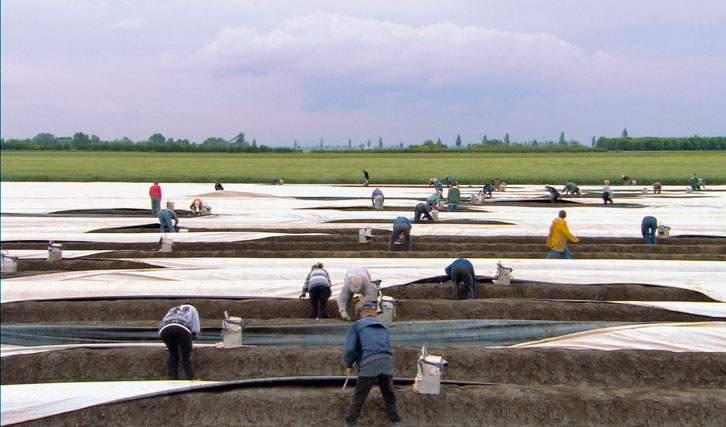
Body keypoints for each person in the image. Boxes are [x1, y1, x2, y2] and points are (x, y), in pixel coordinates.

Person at [343, 302, 401, 427]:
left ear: (361, 315)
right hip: (387, 361)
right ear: (375, 314)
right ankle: (396, 422)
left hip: (370, 362)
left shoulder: (357, 325)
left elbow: (351, 348)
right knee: (389, 395)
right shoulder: (384, 326)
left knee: (359, 396)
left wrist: (349, 364)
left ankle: (349, 423)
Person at [158, 303, 200, 380]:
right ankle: (189, 378)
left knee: (173, 353)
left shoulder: (173, 308)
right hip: (182, 328)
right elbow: (196, 329)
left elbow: (165, 321)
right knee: (186, 355)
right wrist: (191, 341)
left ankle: (172, 378)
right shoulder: (192, 309)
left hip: (164, 329)